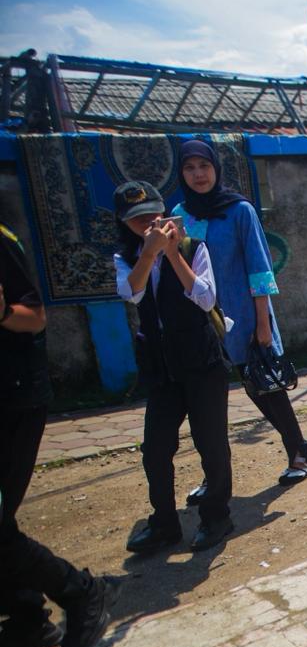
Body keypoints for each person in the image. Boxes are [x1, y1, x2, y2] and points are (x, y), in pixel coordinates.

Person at [1, 220, 120, 647]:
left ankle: (80, 592)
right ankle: (29, 617)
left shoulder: (2, 242)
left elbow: (34, 316)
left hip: (11, 398)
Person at [175, 140, 307, 497]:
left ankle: (299, 451)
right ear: (181, 173)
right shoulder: (179, 215)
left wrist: (263, 324)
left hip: (243, 315)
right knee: (206, 404)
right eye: (189, 168)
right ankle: (214, 477)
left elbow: (259, 267)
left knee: (263, 387)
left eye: (203, 166)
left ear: (215, 169)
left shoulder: (239, 211)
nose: (198, 175)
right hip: (199, 324)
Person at [114, 181, 235, 553]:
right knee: (156, 448)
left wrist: (171, 254)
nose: (149, 223)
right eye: (138, 219)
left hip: (201, 360)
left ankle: (216, 516)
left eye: (154, 214)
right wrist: (148, 254)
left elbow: (205, 297)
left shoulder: (193, 248)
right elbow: (130, 292)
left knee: (211, 442)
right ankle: (164, 523)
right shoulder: (126, 257)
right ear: (125, 222)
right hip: (162, 367)